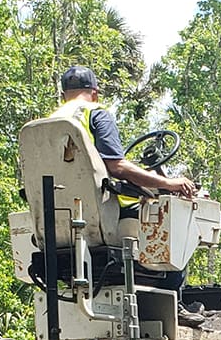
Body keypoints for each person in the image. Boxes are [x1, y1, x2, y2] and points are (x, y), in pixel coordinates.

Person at [52, 64, 206, 326]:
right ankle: (174, 299)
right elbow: (117, 167)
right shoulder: (95, 114)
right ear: (95, 93)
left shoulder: (50, 122)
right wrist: (167, 183)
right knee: (175, 217)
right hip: (103, 215)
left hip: (58, 220)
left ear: (63, 95)